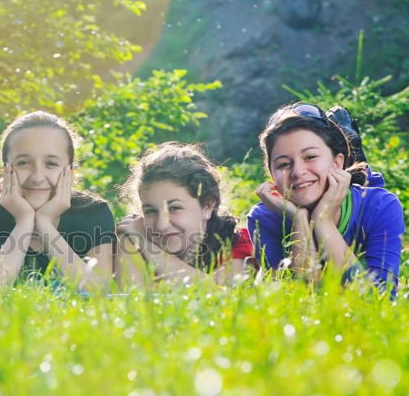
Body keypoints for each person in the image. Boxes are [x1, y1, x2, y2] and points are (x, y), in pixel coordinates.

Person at [247, 102, 404, 291]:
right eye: (283, 164)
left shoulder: (379, 207)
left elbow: (378, 301)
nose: (297, 172)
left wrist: (323, 222)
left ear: (338, 162)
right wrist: (298, 221)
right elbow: (294, 303)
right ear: (272, 176)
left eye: (310, 157)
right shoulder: (265, 218)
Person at [0, 111, 115, 290]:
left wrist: (45, 225)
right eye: (24, 162)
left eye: (51, 164)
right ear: (6, 170)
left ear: (70, 171)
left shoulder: (93, 213)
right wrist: (23, 222)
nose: (37, 177)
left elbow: (99, 291)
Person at [116, 142, 253, 287]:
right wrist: (131, 240)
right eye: (151, 211)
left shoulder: (240, 244)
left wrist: (146, 244)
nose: (161, 225)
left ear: (208, 206)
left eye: (174, 208)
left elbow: (220, 295)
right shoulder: (134, 237)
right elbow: (131, 301)